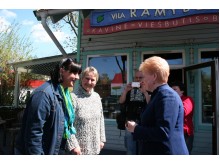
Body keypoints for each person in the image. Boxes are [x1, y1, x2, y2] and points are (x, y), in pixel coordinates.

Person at [14, 58, 82, 155]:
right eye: (74, 73)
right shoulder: (44, 94)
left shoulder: (64, 94)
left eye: (78, 73)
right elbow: (34, 134)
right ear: (62, 71)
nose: (77, 77)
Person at [126, 56, 189, 155]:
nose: (142, 81)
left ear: (154, 77)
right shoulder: (158, 94)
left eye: (144, 76)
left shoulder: (167, 96)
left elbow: (163, 132)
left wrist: (136, 128)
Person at [66, 66, 106, 155]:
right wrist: (73, 145)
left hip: (95, 147)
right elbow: (67, 124)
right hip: (78, 150)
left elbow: (101, 119)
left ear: (96, 81)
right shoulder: (73, 97)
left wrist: (102, 139)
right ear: (81, 79)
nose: (89, 82)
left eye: (92, 80)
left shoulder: (96, 97)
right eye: (87, 79)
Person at [119, 70, 150, 155]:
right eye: (136, 77)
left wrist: (145, 92)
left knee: (142, 148)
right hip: (130, 120)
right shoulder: (129, 89)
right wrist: (125, 90)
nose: (138, 79)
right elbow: (121, 101)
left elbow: (151, 105)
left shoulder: (149, 88)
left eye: (140, 77)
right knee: (130, 147)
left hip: (143, 122)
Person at [171, 81, 194, 154]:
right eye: (171, 89)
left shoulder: (187, 99)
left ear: (182, 91)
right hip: (172, 133)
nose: (172, 91)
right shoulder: (170, 100)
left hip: (184, 134)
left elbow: (183, 112)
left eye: (175, 89)